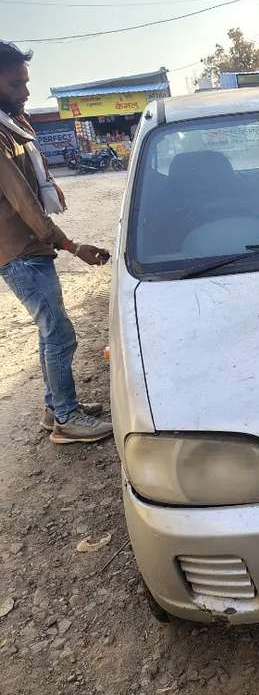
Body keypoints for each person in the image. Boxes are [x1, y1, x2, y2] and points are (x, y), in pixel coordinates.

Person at [0, 41, 113, 444]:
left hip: (30, 251)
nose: (26, 92)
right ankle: (66, 419)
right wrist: (72, 246)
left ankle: (56, 407)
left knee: (50, 331)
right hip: (20, 254)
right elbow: (25, 204)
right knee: (60, 334)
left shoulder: (13, 124)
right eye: (16, 84)